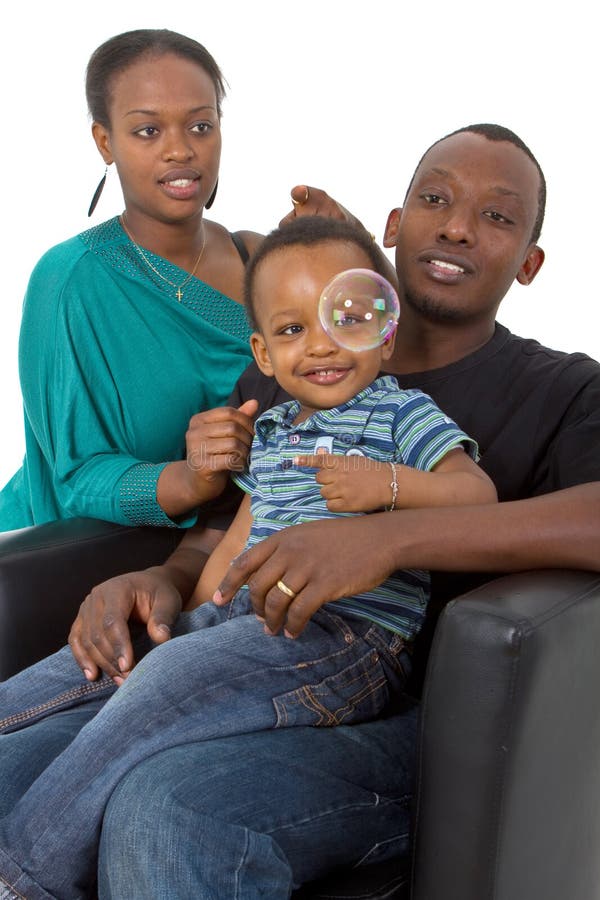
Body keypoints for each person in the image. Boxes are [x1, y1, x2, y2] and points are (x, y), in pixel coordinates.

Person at [2, 123, 600, 898]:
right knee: (25, 755)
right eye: (434, 199)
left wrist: (385, 538)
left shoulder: (562, 390)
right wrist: (161, 579)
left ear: (530, 263)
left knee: (172, 806)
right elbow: (235, 524)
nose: (456, 225)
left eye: (497, 216)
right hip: (237, 639)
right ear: (393, 229)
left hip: (407, 715)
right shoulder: (297, 378)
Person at [0, 28, 345, 533]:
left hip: (234, 553)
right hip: (57, 561)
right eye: (147, 131)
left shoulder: (259, 260)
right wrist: (189, 479)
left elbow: (370, 368)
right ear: (105, 141)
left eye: (200, 126)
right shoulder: (71, 279)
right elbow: (74, 476)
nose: (180, 150)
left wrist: (346, 241)